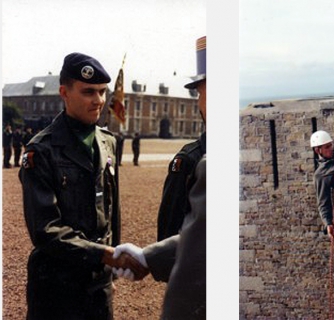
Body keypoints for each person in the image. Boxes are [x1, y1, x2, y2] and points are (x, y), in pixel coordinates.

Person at [18, 52, 147, 320]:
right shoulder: (41, 150)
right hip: (56, 286)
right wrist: (105, 255)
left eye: (102, 92)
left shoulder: (107, 142)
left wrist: (111, 267)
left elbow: (113, 211)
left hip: (98, 284)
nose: (99, 100)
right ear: (64, 92)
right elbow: (44, 230)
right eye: (89, 92)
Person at [112, 35, 207, 319]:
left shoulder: (199, 161)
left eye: (201, 93)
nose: (199, 101)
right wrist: (150, 257)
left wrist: (151, 258)